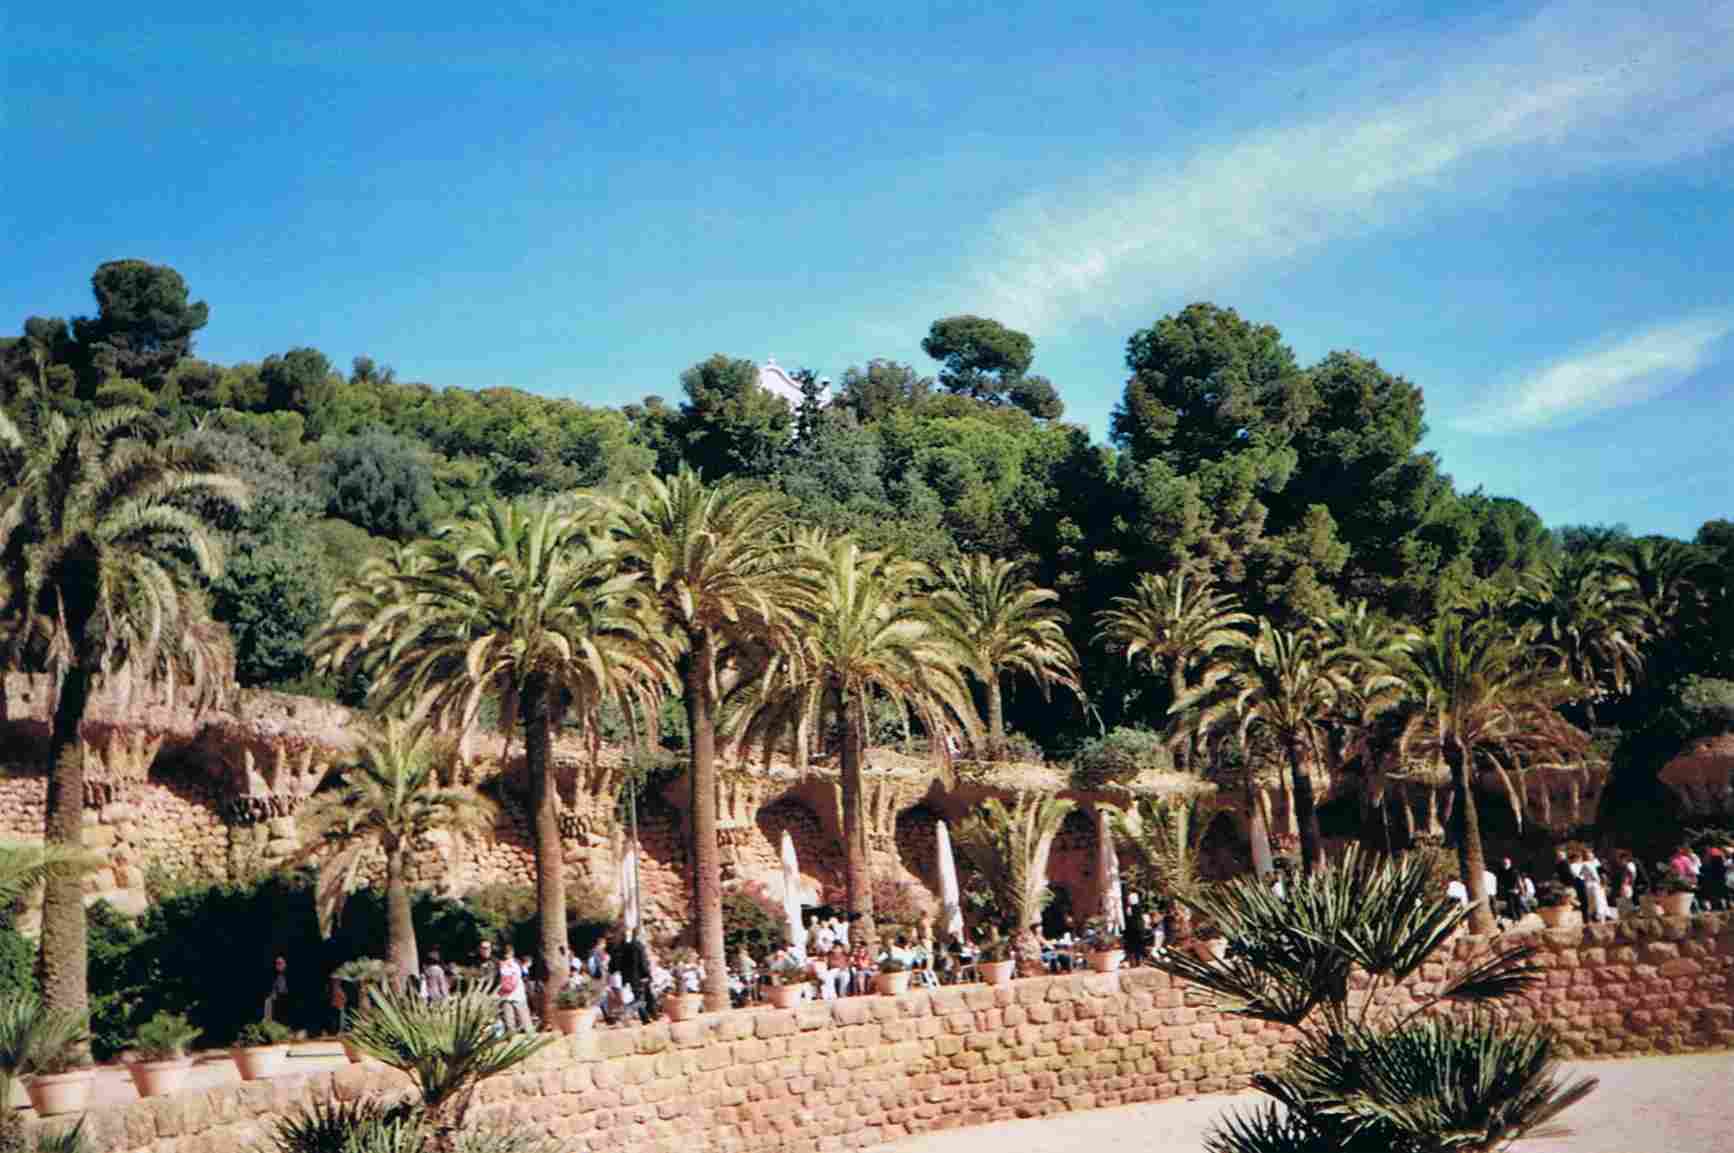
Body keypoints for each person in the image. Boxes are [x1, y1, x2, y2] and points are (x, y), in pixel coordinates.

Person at [496, 944, 532, 1034]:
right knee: (524, 1018)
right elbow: (525, 975)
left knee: (510, 1020)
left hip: (505, 994)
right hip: (517, 994)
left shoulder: (499, 964)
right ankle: (530, 1036)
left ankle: (511, 1038)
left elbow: (497, 978)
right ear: (512, 952)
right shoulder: (517, 963)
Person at [265, 955, 289, 1022]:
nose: (277, 966)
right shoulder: (275, 976)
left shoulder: (288, 976)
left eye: (280, 963)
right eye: (276, 964)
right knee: (268, 1000)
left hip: (286, 1002)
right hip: (277, 1002)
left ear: (285, 964)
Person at [1496, 857, 1521, 923]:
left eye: (1506, 863)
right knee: (1511, 905)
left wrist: (1518, 889)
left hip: (1515, 890)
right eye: (1504, 863)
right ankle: (1515, 919)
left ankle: (1519, 918)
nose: (1504, 864)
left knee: (1517, 904)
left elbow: (1518, 880)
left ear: (1509, 863)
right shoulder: (1502, 871)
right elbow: (1501, 882)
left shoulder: (1514, 870)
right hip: (1508, 891)